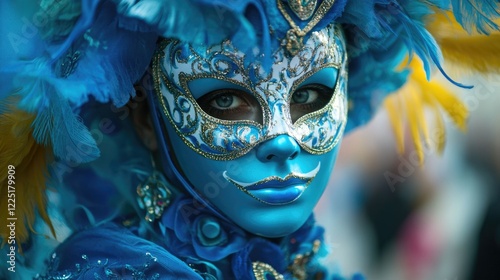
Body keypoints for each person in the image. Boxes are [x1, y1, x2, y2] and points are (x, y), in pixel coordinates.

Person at [0, 0, 498, 279]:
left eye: (311, 93)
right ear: (147, 120)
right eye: (223, 101)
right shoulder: (116, 273)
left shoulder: (310, 266)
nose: (282, 140)